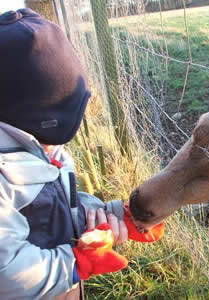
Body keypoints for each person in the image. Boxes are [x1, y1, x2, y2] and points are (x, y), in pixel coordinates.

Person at [0, 8, 131, 300]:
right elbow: (5, 271)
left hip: (62, 287)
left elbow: (60, 206)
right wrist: (77, 262)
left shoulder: (43, 150)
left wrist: (109, 215)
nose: (55, 145)